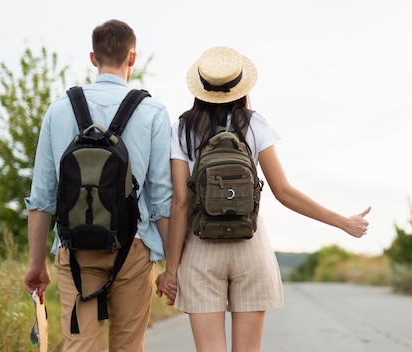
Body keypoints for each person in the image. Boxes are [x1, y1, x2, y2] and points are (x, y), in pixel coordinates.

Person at [156, 46, 370, 352]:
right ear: (241, 87)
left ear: (201, 87)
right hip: (251, 243)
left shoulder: (182, 128)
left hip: (201, 247)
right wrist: (342, 221)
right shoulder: (254, 124)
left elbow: (179, 202)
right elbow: (283, 191)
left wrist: (172, 269)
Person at [24, 19, 172, 352]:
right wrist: (172, 264)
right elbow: (163, 200)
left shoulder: (59, 110)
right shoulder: (153, 112)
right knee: (128, 345)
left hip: (75, 247)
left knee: (80, 345)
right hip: (133, 247)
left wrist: (37, 265)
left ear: (93, 58)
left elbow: (42, 198)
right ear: (132, 57)